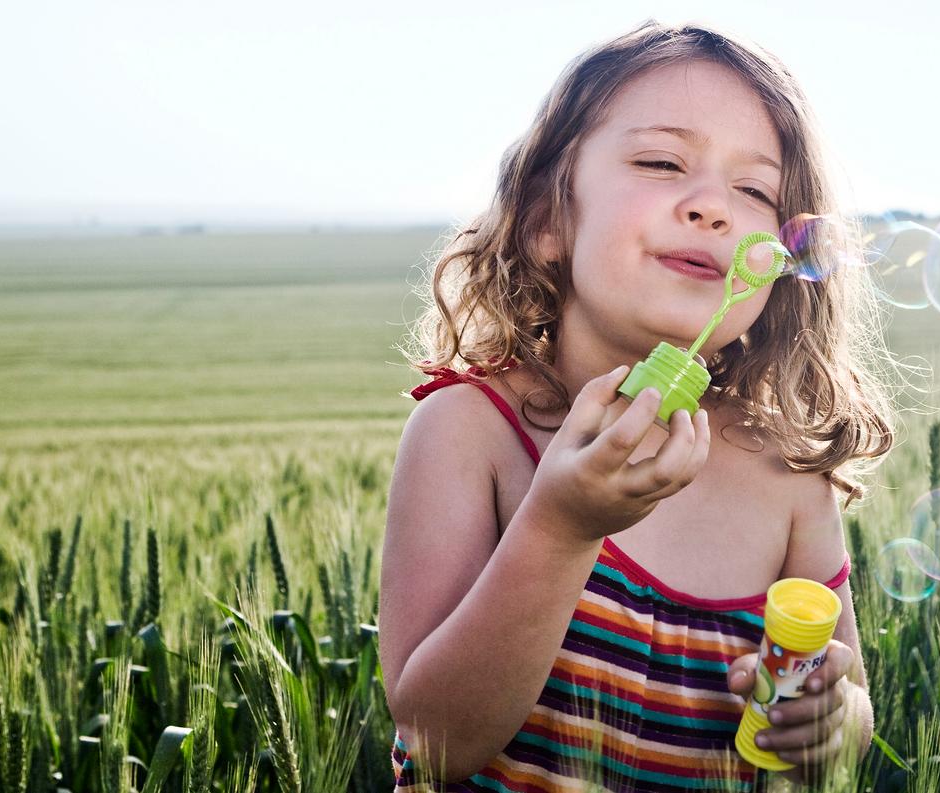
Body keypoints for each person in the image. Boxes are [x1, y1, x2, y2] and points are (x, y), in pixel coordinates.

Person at [380, 20, 899, 791]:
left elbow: (845, 700)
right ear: (546, 219)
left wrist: (833, 720)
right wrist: (561, 525)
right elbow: (434, 740)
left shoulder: (790, 476)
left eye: (756, 191)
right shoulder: (470, 431)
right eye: (661, 162)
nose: (713, 208)